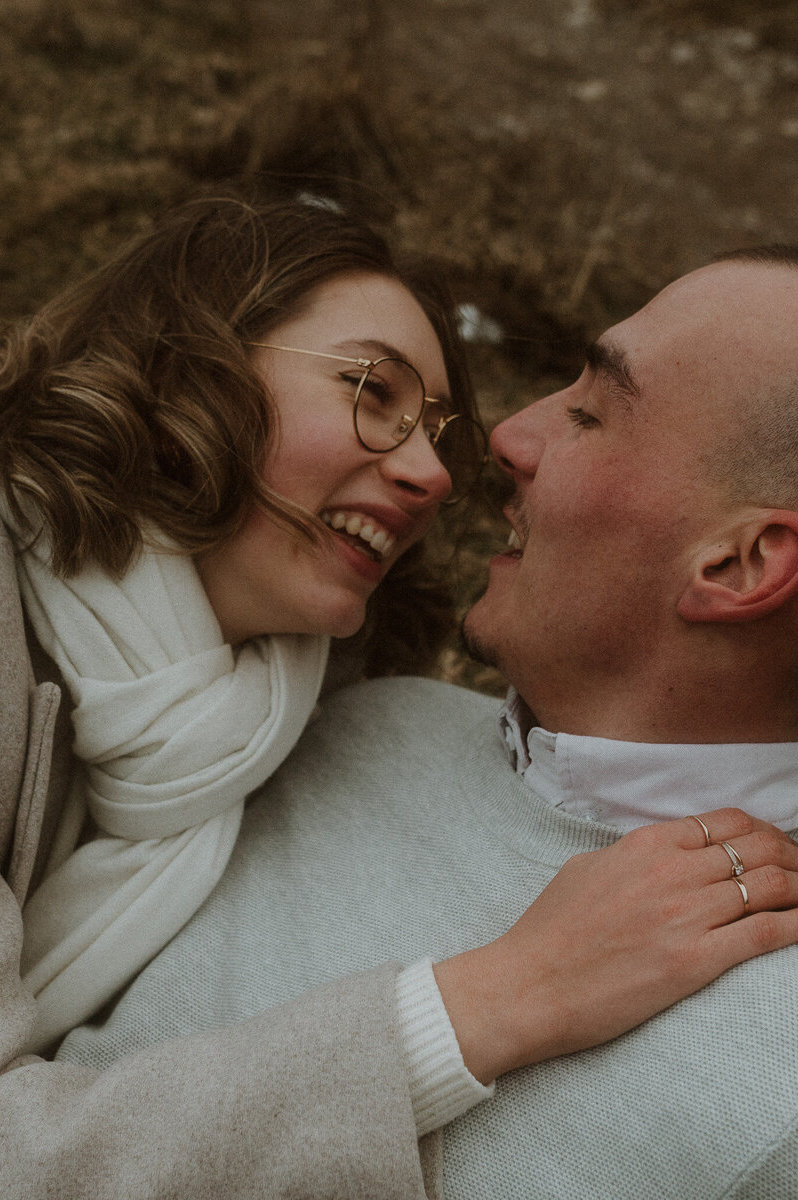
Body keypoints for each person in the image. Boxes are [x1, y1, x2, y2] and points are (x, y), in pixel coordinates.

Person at [56, 247, 798, 1198]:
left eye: (589, 413)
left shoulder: (774, 1090)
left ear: (738, 566)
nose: (505, 439)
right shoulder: (342, 719)